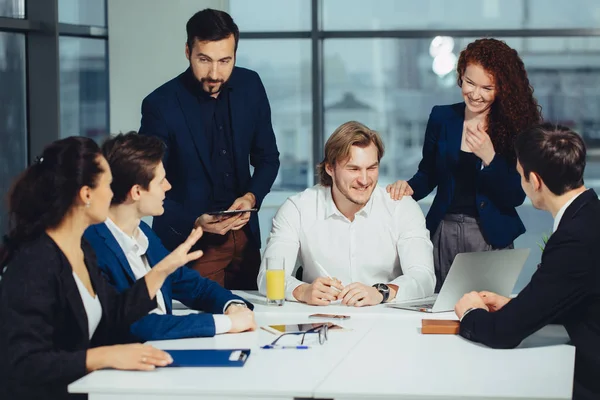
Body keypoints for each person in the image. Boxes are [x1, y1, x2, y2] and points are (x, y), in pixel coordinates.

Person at [0, 137, 204, 400]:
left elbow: (114, 314)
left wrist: (162, 270)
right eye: (108, 185)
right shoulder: (34, 263)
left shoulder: (81, 249)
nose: (113, 193)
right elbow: (24, 363)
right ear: (86, 194)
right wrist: (106, 356)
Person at [455, 123, 600, 400]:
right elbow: (578, 294)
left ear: (535, 181)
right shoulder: (590, 214)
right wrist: (520, 306)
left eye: (520, 175)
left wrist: (472, 313)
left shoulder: (574, 239)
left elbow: (502, 334)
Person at [139, 8, 280, 290]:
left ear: (235, 55)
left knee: (251, 321)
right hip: (192, 246)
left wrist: (252, 197)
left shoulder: (250, 85)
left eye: (225, 61)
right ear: (188, 51)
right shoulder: (160, 105)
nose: (215, 73)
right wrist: (196, 221)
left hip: (246, 240)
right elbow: (148, 183)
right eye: (204, 60)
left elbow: (268, 158)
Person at [386, 38, 542, 291]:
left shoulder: (515, 127)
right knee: (437, 304)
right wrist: (408, 188)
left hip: (489, 233)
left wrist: (490, 157)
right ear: (460, 76)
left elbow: (514, 195)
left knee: (485, 310)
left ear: (502, 88)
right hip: (443, 229)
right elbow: (428, 173)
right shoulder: (442, 117)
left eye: (487, 87)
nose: (475, 94)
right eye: (469, 82)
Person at [84, 133, 257, 342]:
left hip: (160, 356)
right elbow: (138, 325)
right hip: (121, 367)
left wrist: (232, 305)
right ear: (137, 191)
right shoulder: (93, 246)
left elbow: (192, 285)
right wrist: (226, 323)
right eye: (161, 181)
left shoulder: (144, 234)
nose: (168, 186)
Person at [257, 121, 435, 306]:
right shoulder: (298, 209)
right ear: (330, 168)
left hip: (386, 320)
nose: (364, 180)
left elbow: (424, 277)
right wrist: (303, 291)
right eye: (354, 169)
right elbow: (267, 278)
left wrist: (381, 292)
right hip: (320, 319)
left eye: (371, 168)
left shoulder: (401, 207)